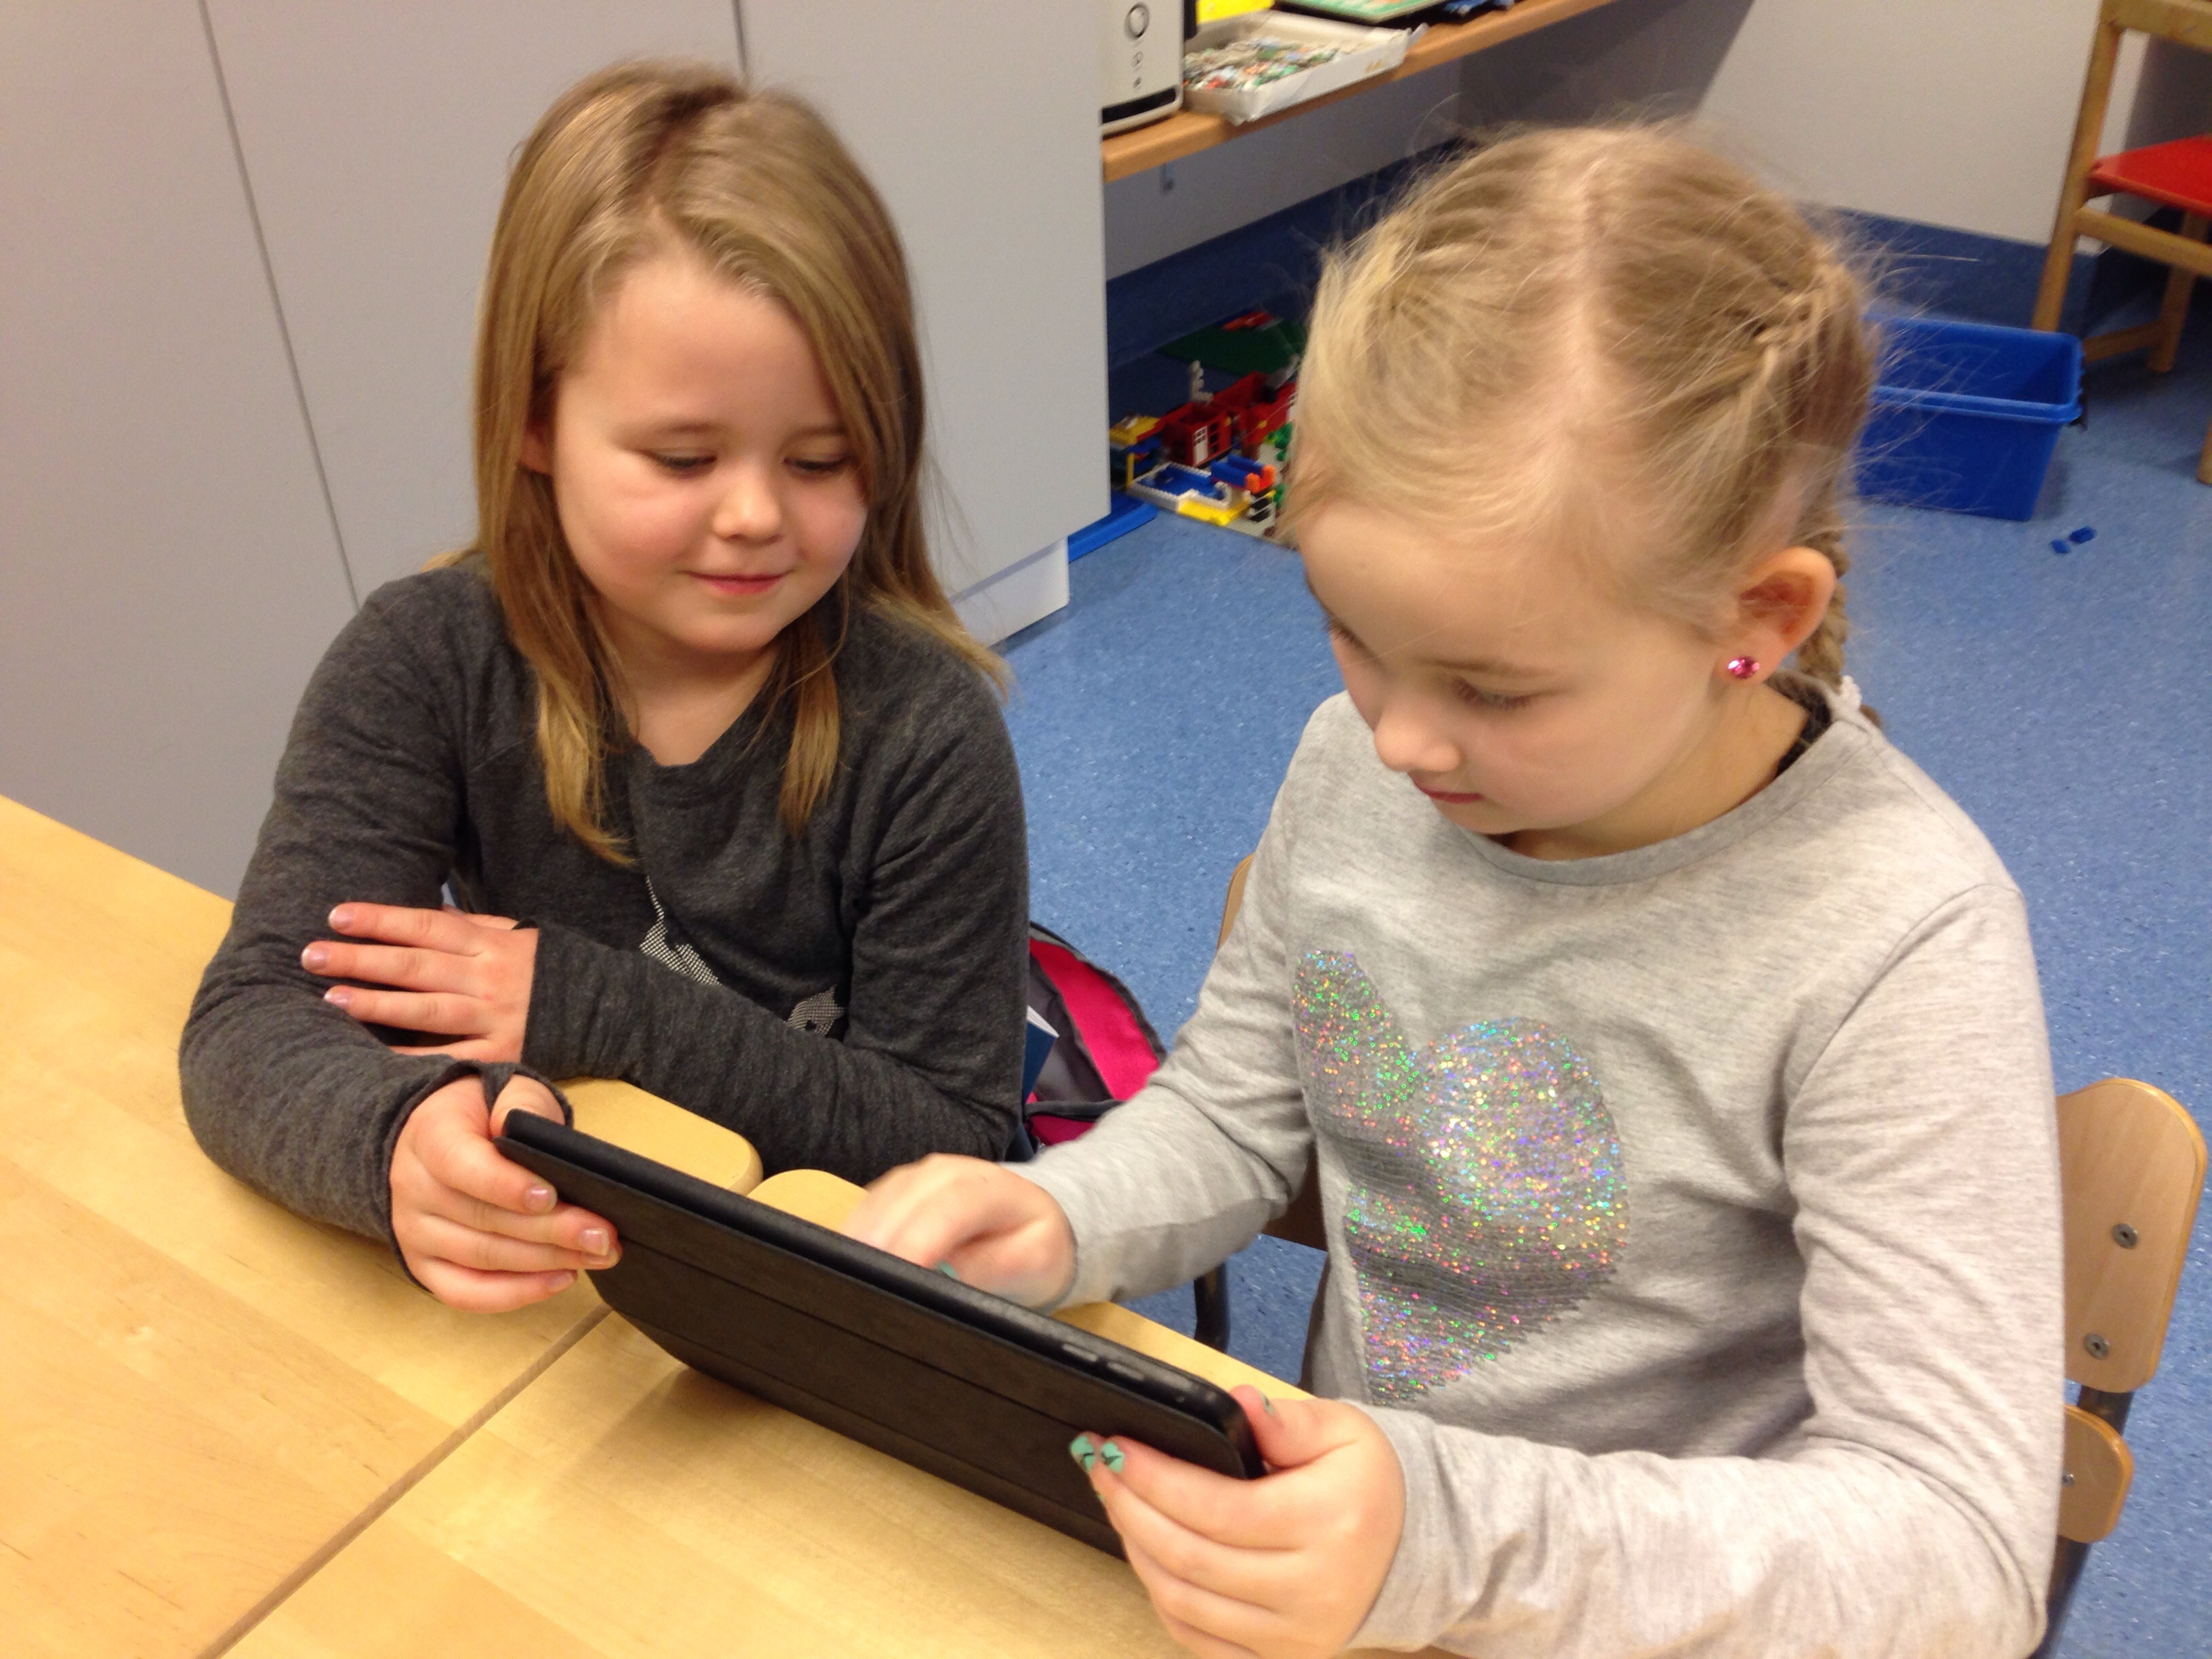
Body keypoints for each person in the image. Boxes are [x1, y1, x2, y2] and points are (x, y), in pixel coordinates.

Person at [846, 127, 2062, 1658]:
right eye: (1353, 634)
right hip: (1347, 1579)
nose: (1400, 740)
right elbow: (1234, 1119)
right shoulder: (1355, 766)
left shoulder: (1898, 940)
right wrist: (1059, 1214)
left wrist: (1446, 1538)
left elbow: (1959, 1552)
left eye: (1494, 688)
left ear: (1755, 618)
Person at [182, 62, 1028, 1315]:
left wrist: (581, 1005)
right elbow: (254, 1016)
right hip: (588, 1284)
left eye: (821, 459)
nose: (755, 515)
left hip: (837, 1297)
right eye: (682, 457)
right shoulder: (425, 664)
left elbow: (952, 1138)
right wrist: (400, 1138)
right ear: (534, 420)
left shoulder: (924, 732)